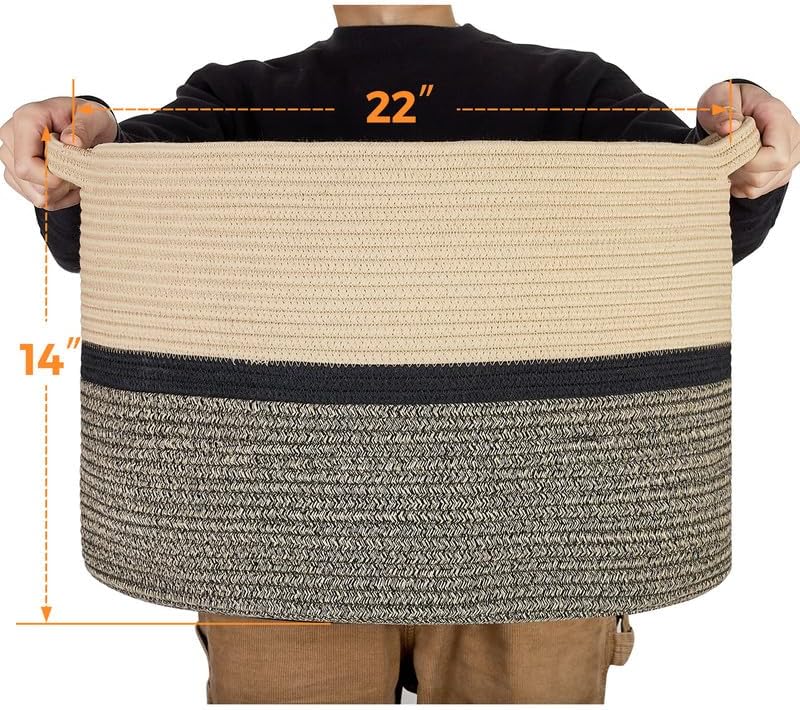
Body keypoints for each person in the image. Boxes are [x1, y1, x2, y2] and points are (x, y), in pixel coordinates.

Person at [1, 4, 796, 704]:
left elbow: (705, 206)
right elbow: (107, 209)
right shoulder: (234, 98)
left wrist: (742, 131)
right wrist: (78, 134)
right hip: (291, 535)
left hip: (530, 534)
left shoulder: (570, 89)